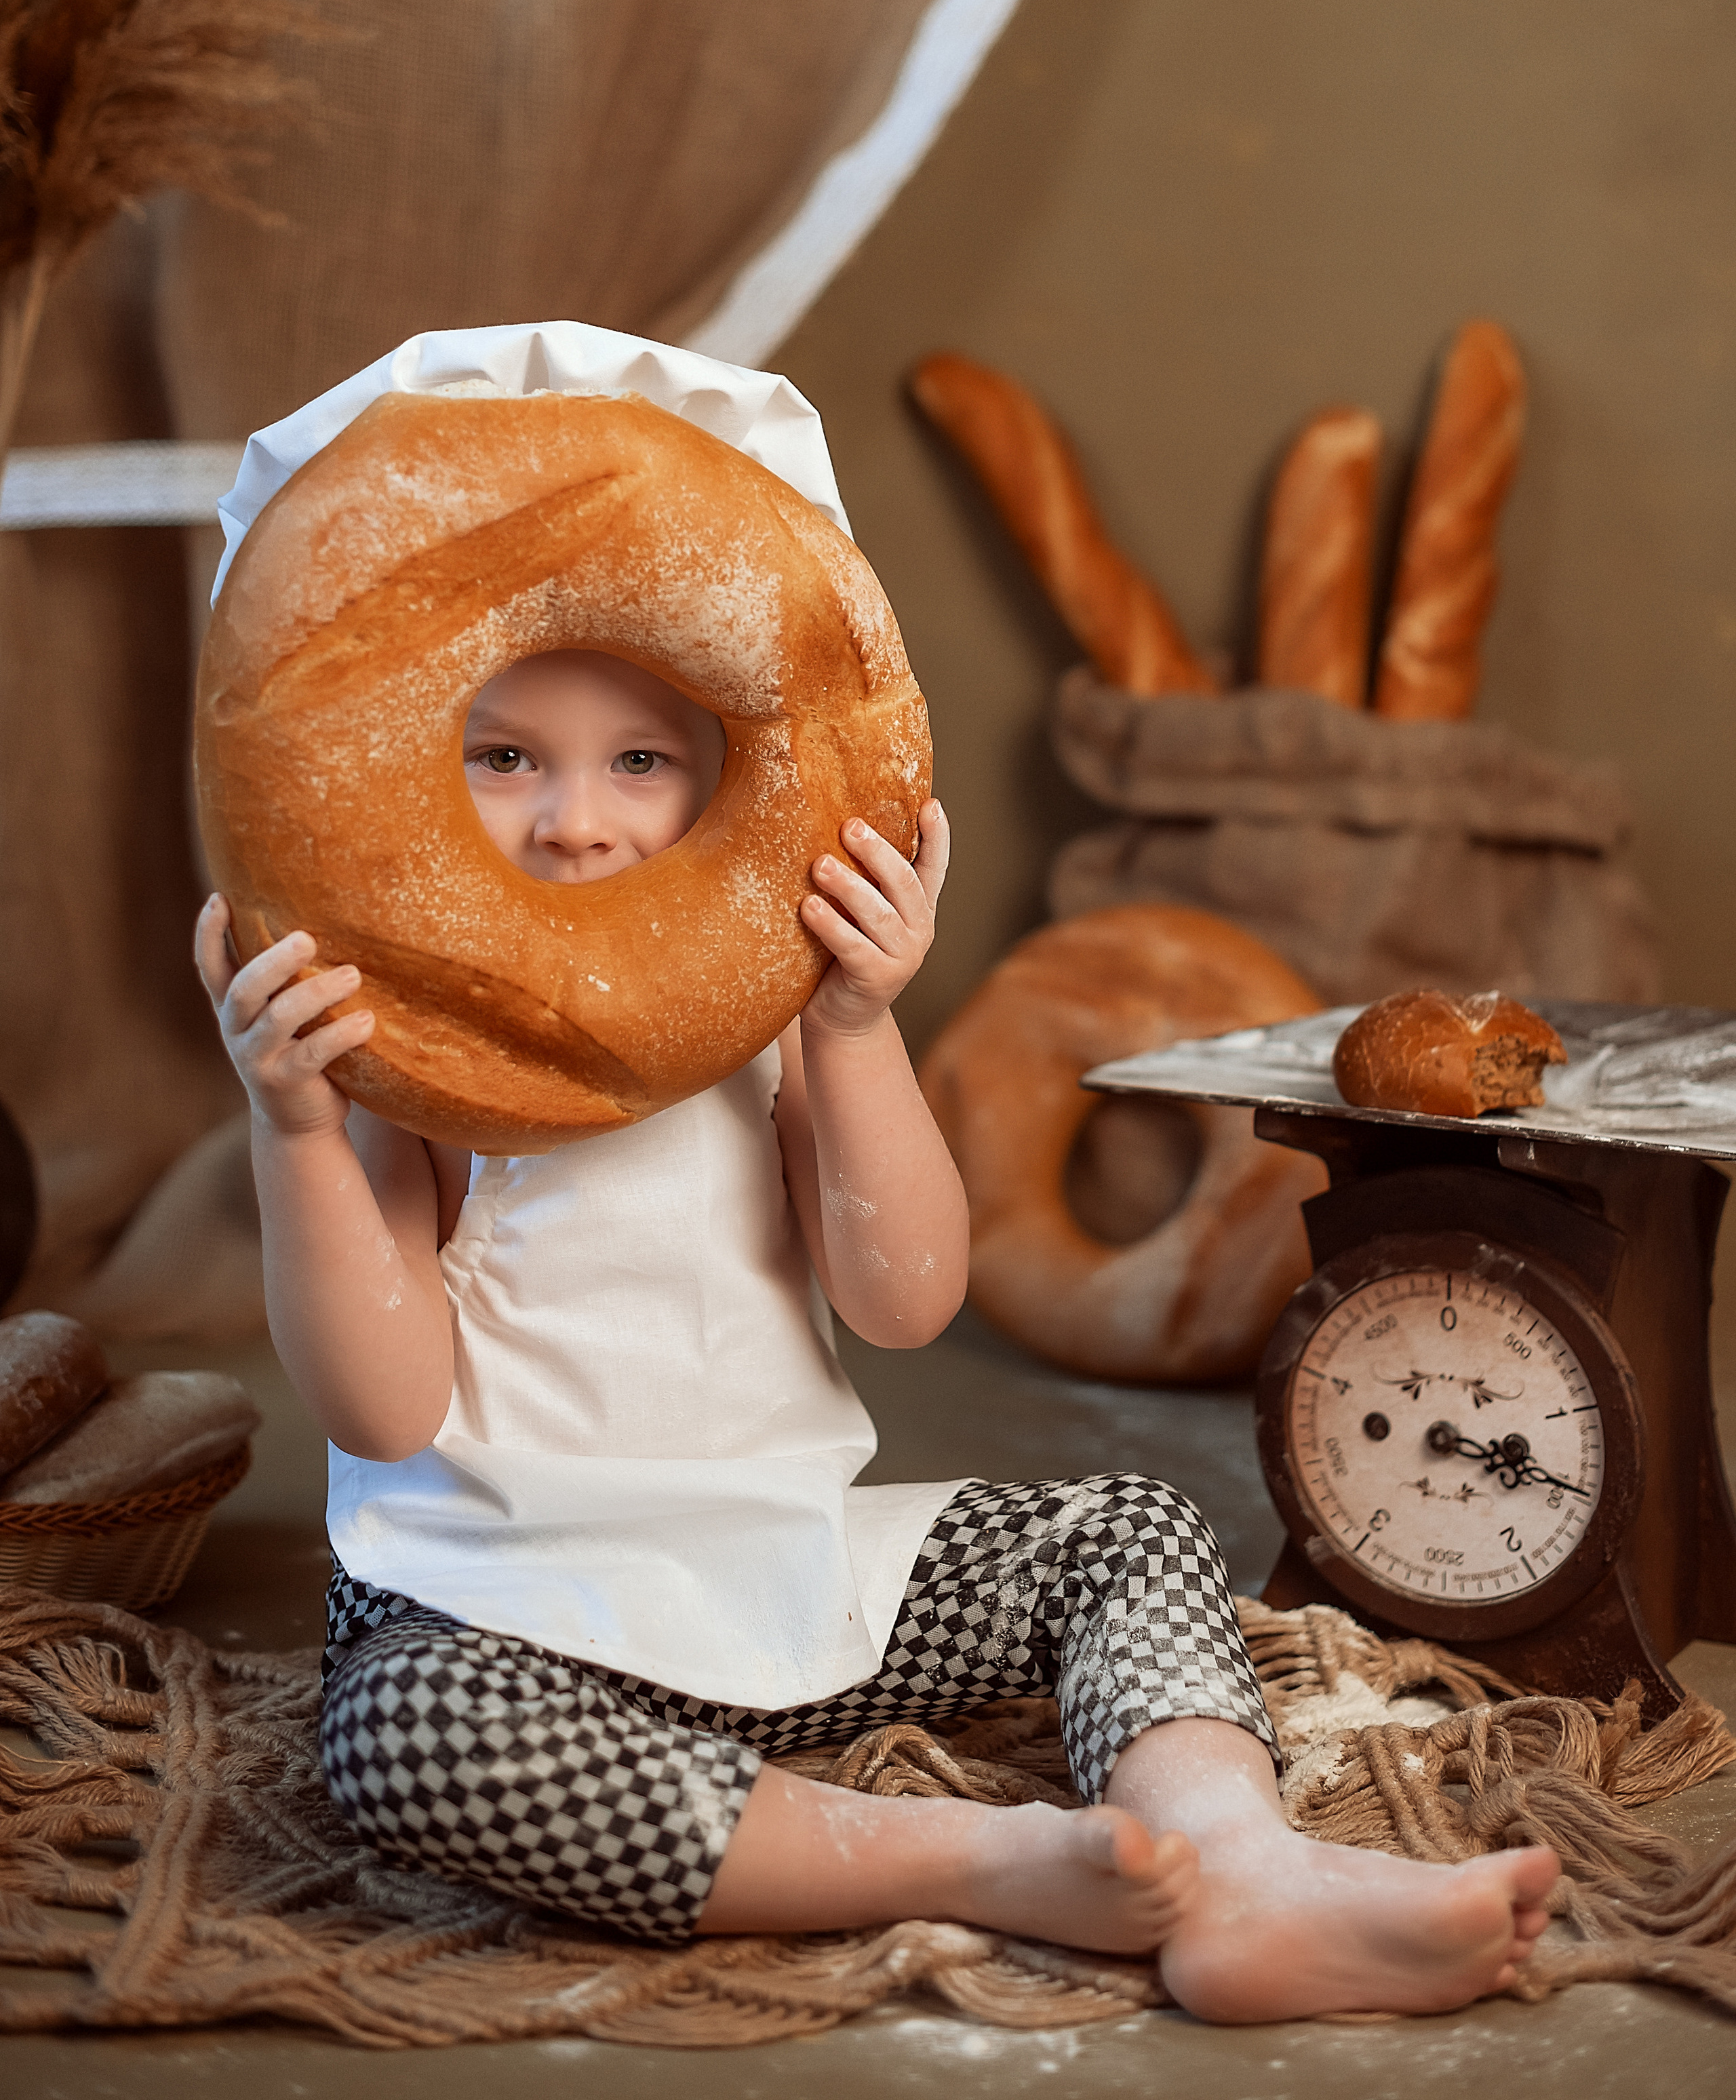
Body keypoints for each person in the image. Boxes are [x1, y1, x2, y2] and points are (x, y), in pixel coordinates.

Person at [197, 639, 1558, 2021]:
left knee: (1131, 1529)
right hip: (496, 1606)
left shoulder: (769, 1013)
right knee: (401, 1734)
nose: (577, 820)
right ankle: (977, 1860)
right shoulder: (413, 1058)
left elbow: (903, 1301)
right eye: (503, 757)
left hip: (789, 1573)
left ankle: (1239, 1867)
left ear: (729, 782)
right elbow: (384, 1409)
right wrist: (297, 1129)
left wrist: (852, 1024)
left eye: (639, 760)